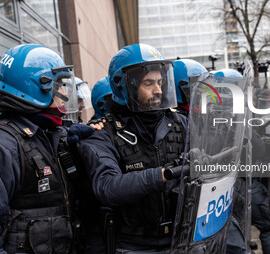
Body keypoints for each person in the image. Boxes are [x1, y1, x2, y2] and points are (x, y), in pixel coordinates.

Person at [73, 44, 187, 253]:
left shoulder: (180, 123)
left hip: (182, 239)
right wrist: (162, 175)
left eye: (161, 82)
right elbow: (108, 187)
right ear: (124, 86)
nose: (159, 90)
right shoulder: (101, 133)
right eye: (149, 83)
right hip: (134, 246)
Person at [0, 44, 79, 253]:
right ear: (37, 86)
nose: (64, 93)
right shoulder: (5, 145)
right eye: (59, 85)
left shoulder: (50, 133)